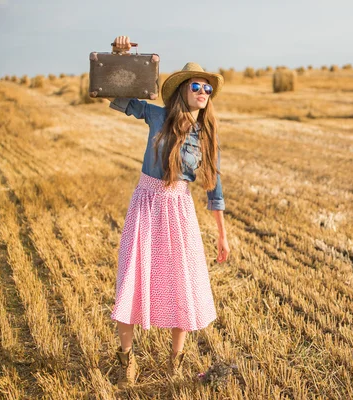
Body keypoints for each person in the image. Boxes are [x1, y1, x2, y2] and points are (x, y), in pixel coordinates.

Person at [107, 35, 230, 390]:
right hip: (146, 203)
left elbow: (215, 191)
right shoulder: (157, 115)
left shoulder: (207, 136)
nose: (203, 91)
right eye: (197, 85)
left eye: (207, 88)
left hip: (180, 209)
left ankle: (174, 364)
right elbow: (119, 98)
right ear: (183, 90)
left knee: (182, 285)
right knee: (131, 279)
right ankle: (126, 360)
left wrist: (222, 235)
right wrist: (121, 57)